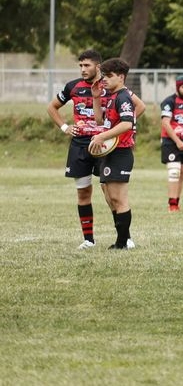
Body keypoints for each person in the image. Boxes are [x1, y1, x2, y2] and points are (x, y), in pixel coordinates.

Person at [46, 49, 144, 249]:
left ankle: (124, 238)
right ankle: (89, 240)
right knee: (83, 192)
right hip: (81, 145)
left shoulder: (114, 88)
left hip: (107, 147)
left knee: (111, 194)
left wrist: (118, 132)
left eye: (87, 65)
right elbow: (51, 107)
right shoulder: (74, 87)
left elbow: (138, 108)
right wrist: (65, 127)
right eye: (80, 65)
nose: (83, 69)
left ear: (98, 67)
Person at [88, 58, 137, 250]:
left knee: (119, 198)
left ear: (121, 77)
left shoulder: (124, 97)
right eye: (104, 76)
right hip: (110, 153)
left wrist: (101, 137)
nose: (105, 80)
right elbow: (101, 121)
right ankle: (122, 240)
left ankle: (122, 242)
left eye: (109, 76)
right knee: (110, 197)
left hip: (122, 153)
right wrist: (96, 98)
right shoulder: (111, 96)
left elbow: (127, 124)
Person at [160, 75, 183, 213]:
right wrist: (177, 141)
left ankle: (177, 202)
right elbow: (165, 123)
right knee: (174, 172)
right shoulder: (169, 102)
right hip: (171, 142)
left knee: (182, 173)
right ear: (177, 87)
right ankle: (172, 204)